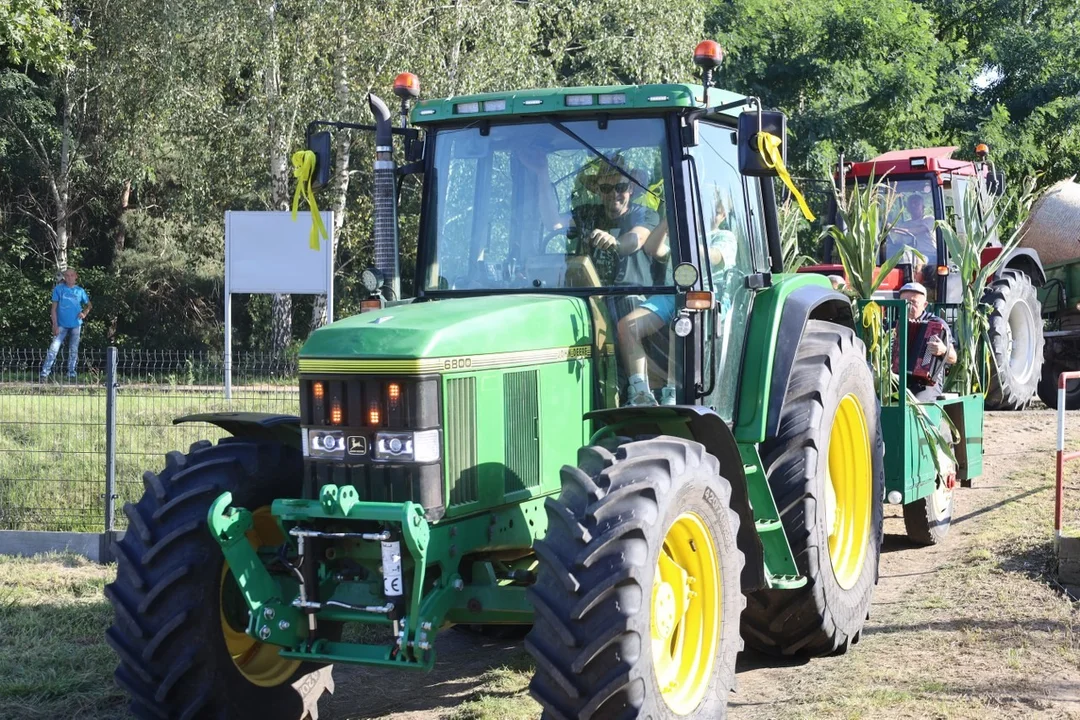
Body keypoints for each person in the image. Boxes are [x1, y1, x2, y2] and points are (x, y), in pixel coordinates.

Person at [899, 281, 956, 401]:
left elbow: (953, 358)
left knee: (915, 403)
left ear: (924, 305)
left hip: (926, 383)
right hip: (896, 379)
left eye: (913, 303)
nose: (908, 307)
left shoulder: (936, 324)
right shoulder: (893, 324)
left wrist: (943, 350)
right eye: (903, 302)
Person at [40, 268, 91, 380]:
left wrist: (84, 313)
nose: (69, 278)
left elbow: (89, 305)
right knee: (54, 348)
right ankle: (44, 373)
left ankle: (71, 373)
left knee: (74, 349)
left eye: (72, 275)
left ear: (76, 276)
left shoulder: (80, 291)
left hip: (76, 324)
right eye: (67, 275)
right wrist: (55, 325)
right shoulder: (59, 289)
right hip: (61, 325)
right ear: (64, 277)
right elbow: (53, 309)